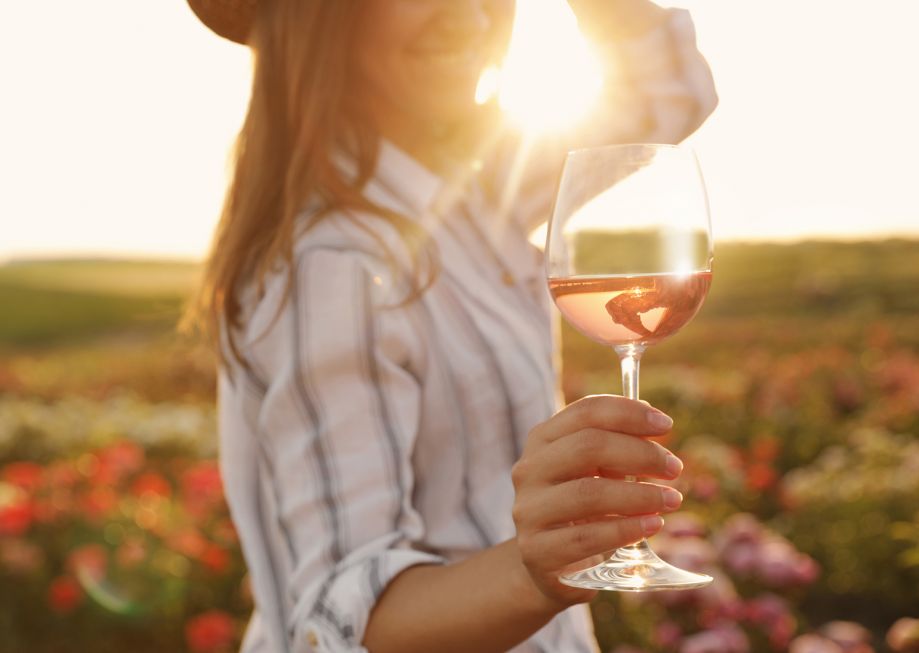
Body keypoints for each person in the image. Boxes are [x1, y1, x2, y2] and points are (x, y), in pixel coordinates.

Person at [186, 1, 717, 652]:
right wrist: (535, 569)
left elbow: (668, 87)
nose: (470, 14)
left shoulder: (472, 195)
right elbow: (345, 621)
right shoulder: (337, 265)